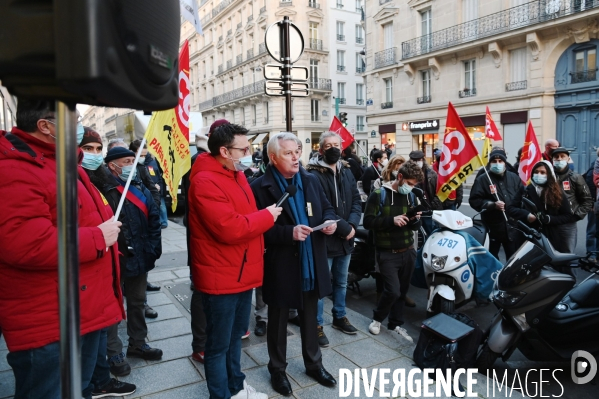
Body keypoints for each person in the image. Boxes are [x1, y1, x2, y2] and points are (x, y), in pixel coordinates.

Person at [0, 99, 123, 399]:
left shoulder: (63, 162)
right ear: (45, 126)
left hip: (82, 306)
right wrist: (97, 237)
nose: (79, 127)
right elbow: (24, 243)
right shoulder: (16, 168)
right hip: (49, 321)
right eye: (74, 120)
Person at [188, 123, 280, 399]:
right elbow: (230, 227)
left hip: (240, 272)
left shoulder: (234, 174)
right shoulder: (205, 181)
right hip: (221, 276)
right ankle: (222, 394)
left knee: (234, 339)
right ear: (224, 151)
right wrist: (267, 216)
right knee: (218, 346)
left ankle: (236, 386)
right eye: (244, 149)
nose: (249, 153)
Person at [251, 132, 339, 396]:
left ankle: (314, 364)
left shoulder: (311, 180)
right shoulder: (259, 187)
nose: (295, 157)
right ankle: (277, 369)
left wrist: (331, 222)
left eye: (297, 151)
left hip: (311, 260)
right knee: (277, 319)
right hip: (281, 263)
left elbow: (327, 209)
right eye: (288, 153)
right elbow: (255, 229)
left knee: (311, 317)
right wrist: (287, 233)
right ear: (273, 157)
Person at [78, 127, 137, 397]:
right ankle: (90, 383)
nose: (92, 154)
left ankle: (100, 380)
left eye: (96, 149)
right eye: (86, 148)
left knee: (102, 329)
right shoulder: (71, 179)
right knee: (90, 340)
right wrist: (98, 238)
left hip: (108, 263)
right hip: (87, 272)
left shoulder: (97, 179)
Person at [103, 147, 164, 362]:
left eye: (133, 160)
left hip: (139, 257)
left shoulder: (141, 188)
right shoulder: (105, 190)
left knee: (137, 303)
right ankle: (113, 352)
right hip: (115, 261)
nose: (132, 165)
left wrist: (152, 250)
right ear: (113, 166)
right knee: (112, 305)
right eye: (127, 161)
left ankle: (138, 343)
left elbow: (154, 222)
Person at [306, 132, 362, 347]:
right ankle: (317, 325)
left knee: (341, 281)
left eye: (336, 145)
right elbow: (319, 207)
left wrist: (354, 226)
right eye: (328, 146)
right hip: (325, 237)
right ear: (320, 149)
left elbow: (356, 200)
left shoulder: (346, 170)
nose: (333, 149)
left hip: (346, 237)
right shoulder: (312, 174)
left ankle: (339, 316)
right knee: (321, 284)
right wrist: (345, 228)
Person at [182, 120, 228, 364]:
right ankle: (200, 344)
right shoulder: (199, 166)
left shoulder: (228, 167)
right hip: (203, 242)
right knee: (201, 292)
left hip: (223, 248)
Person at [363, 161, 424, 343]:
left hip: (408, 250)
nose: (412, 188)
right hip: (387, 252)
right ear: (400, 177)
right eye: (410, 184)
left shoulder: (413, 197)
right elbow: (368, 222)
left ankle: (395, 323)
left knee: (402, 291)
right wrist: (391, 220)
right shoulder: (378, 194)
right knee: (393, 290)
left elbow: (416, 226)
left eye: (415, 185)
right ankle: (378, 319)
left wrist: (415, 219)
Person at [507, 160, 577, 257]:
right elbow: (510, 208)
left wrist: (549, 219)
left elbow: (567, 215)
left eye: (543, 172)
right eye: (536, 172)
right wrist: (526, 215)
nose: (539, 175)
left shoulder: (557, 192)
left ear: (549, 174)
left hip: (549, 237)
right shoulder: (526, 189)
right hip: (527, 235)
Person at [469, 150, 524, 260]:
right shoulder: (482, 179)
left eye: (500, 161)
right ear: (490, 163)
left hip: (512, 226)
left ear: (505, 162)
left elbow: (522, 197)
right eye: (494, 161)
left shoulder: (514, 177)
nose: (497, 163)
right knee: (491, 257)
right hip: (492, 226)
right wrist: (492, 205)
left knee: (513, 257)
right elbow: (474, 200)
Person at [551, 147, 592, 253]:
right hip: (550, 222)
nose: (559, 159)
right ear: (552, 160)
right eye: (556, 157)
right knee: (550, 254)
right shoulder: (548, 177)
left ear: (568, 159)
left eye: (562, 156)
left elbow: (587, 200)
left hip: (568, 224)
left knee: (567, 255)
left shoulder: (576, 177)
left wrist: (576, 215)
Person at [131, 139, 168, 229]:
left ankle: (163, 222)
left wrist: (154, 205)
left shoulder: (145, 165)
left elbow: (156, 179)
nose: (143, 158)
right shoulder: (129, 168)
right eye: (141, 155)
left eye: (145, 155)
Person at [409, 150, 442, 235]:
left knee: (431, 232)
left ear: (423, 160)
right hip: (414, 210)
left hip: (428, 208)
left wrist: (433, 205)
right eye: (414, 160)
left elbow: (438, 192)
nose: (417, 162)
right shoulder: (408, 174)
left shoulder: (431, 174)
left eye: (419, 160)